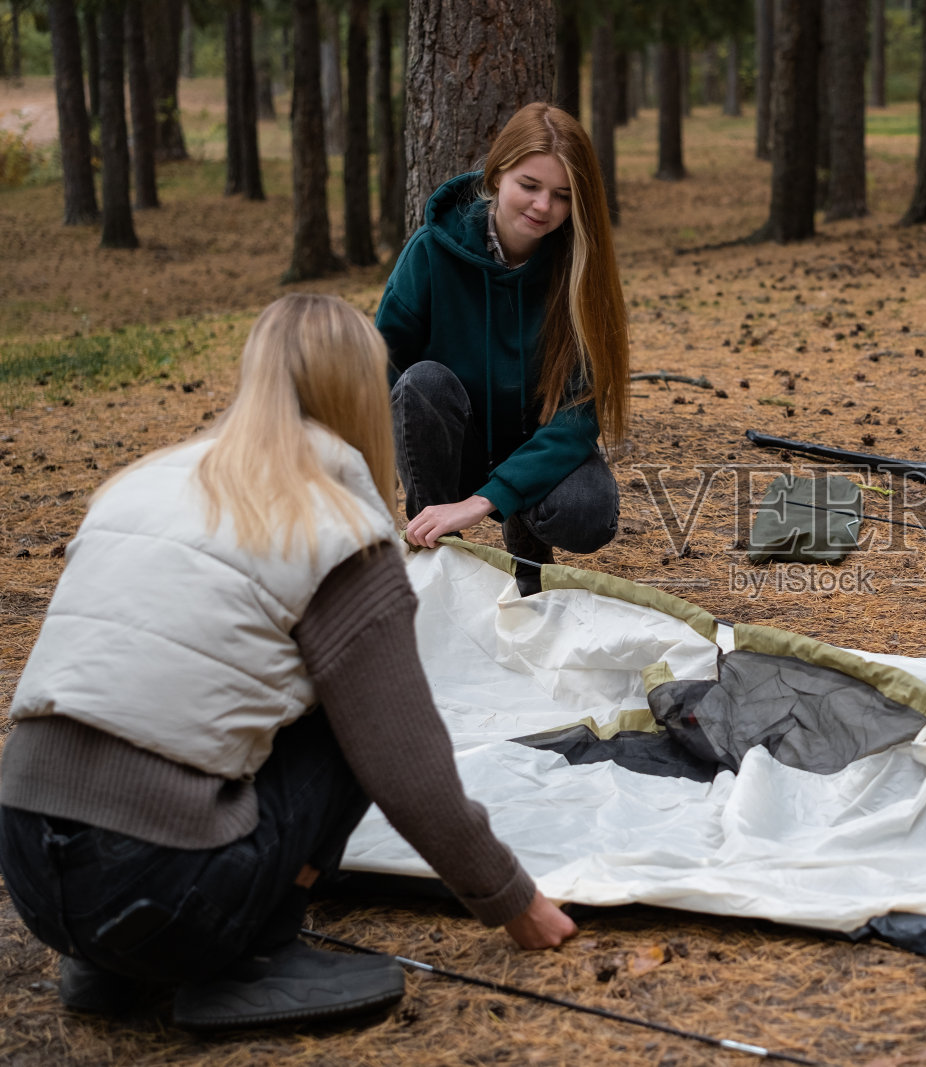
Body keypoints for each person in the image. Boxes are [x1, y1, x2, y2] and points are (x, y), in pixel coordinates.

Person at [0, 294, 576, 1031]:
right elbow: (405, 762)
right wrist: (512, 899)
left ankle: (114, 965)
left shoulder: (139, 482)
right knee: (352, 719)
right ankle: (248, 960)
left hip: (29, 869)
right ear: (361, 390)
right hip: (164, 889)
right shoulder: (333, 524)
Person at [377, 102, 628, 591]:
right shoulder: (430, 251)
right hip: (454, 446)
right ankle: (433, 552)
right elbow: (382, 367)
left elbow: (579, 413)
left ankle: (527, 540)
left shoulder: (580, 270)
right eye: (529, 186)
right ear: (497, 175)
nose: (542, 207)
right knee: (421, 382)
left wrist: (490, 499)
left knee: (588, 513)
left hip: (534, 451)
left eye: (561, 195)